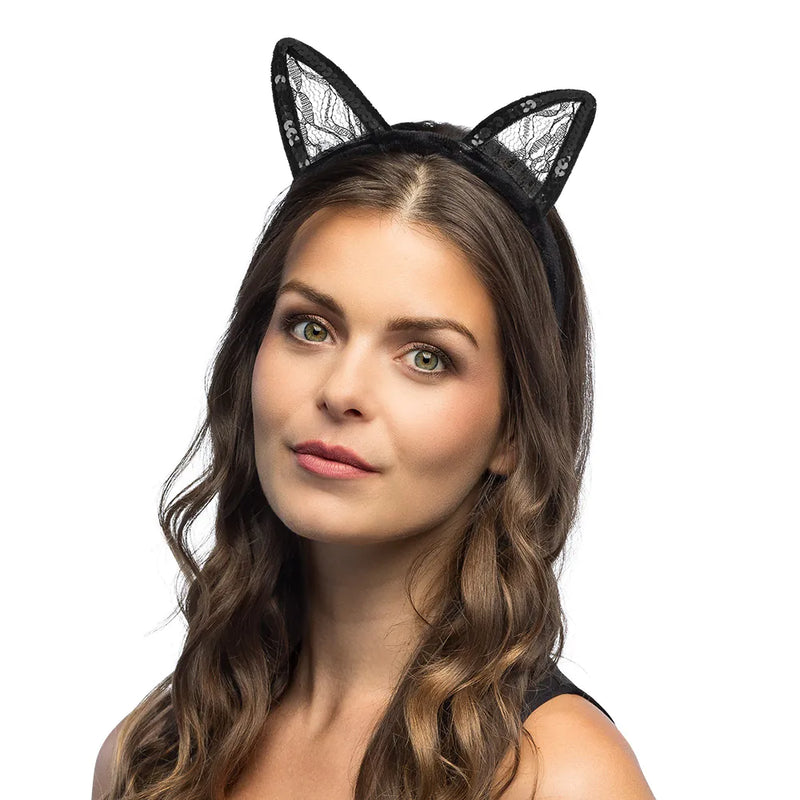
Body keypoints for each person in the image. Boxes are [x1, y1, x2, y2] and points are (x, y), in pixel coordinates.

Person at [92, 38, 655, 800]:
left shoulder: (557, 778)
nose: (342, 390)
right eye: (311, 328)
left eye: (425, 356)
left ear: (514, 431)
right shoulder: (151, 754)